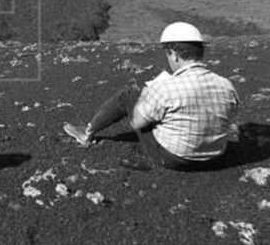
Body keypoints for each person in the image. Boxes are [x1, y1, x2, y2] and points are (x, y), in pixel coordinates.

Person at [63, 22, 239, 170]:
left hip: (176, 159)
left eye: (168, 55)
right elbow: (229, 117)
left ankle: (87, 133)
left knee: (129, 95)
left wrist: (148, 94)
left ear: (175, 55)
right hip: (216, 158)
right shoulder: (227, 85)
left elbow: (137, 122)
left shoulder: (167, 87)